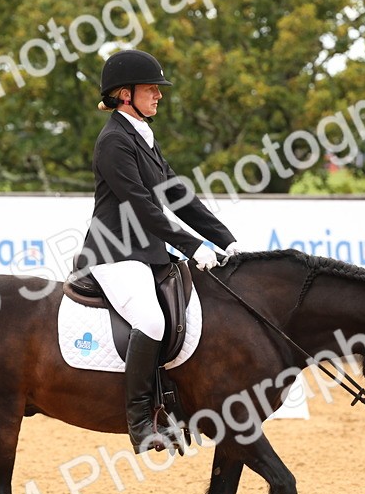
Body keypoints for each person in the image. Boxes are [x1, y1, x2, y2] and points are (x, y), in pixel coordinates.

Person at [74, 49, 245, 453]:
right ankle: (139, 421)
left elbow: (179, 197)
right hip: (113, 254)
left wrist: (226, 240)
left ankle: (172, 403)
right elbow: (142, 206)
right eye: (151, 88)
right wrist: (192, 246)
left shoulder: (143, 137)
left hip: (147, 253)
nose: (159, 95)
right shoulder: (113, 141)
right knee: (151, 321)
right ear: (125, 94)